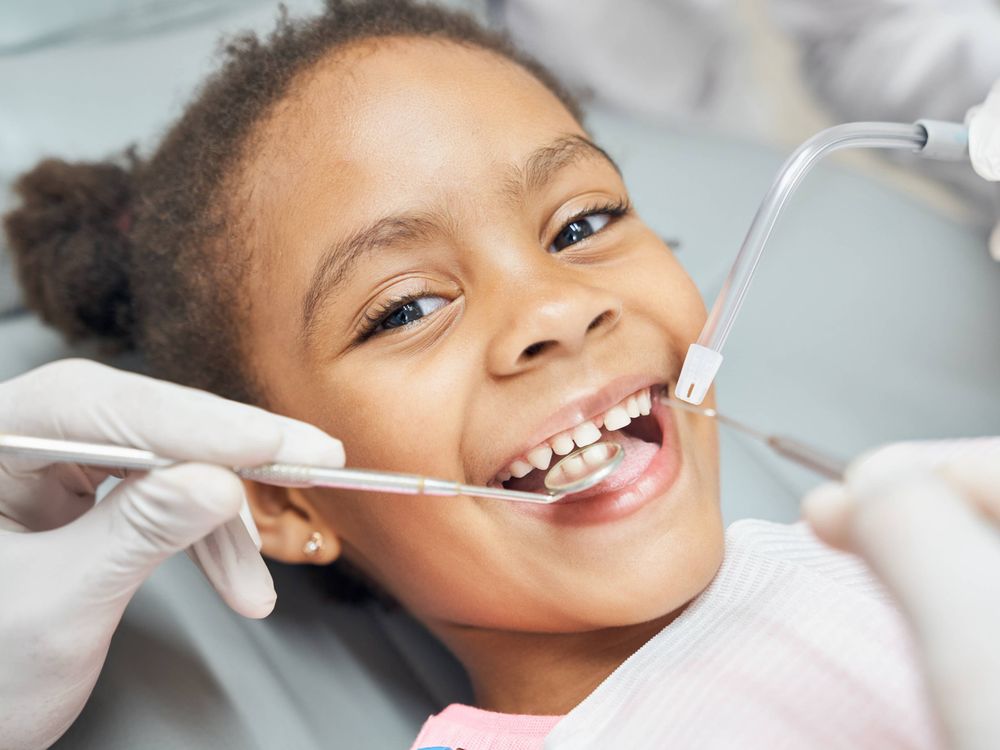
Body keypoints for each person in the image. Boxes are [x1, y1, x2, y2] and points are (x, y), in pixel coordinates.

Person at [0, 1, 997, 748]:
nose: (556, 311)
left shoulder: (935, 521)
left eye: (583, 224)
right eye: (404, 308)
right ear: (278, 496)